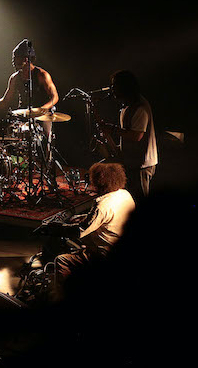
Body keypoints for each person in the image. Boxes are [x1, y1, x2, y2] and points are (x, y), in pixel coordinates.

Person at [49, 162, 135, 300]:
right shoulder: (125, 194)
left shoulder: (102, 205)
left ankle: (61, 298)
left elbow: (80, 231)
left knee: (61, 260)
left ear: (99, 182)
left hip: (104, 254)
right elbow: (107, 217)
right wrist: (84, 217)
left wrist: (57, 227)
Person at [0, 39, 60, 159]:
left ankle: (46, 162)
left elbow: (55, 97)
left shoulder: (42, 75)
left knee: (46, 139)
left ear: (25, 59)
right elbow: (5, 101)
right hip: (24, 115)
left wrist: (42, 109)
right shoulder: (14, 78)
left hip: (43, 115)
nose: (13, 61)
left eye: (15, 57)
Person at [98, 69, 158, 199]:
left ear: (124, 86)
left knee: (140, 201)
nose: (112, 89)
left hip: (142, 165)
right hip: (131, 162)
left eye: (114, 86)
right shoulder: (127, 106)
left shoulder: (140, 107)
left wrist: (111, 129)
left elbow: (137, 136)